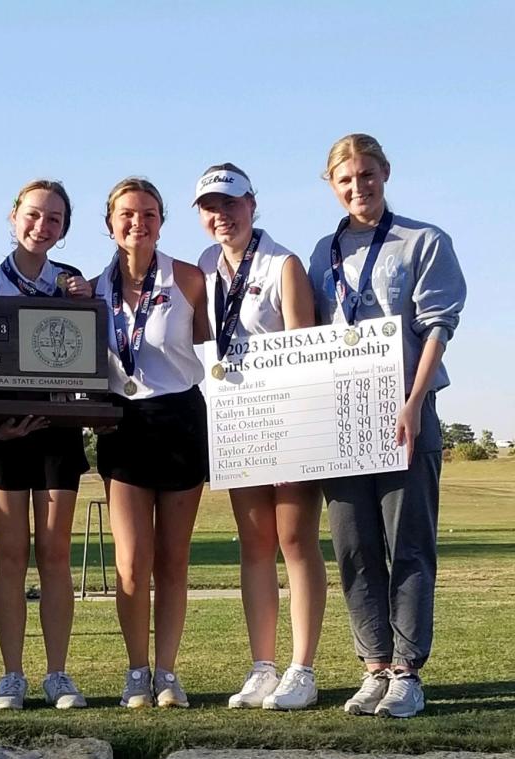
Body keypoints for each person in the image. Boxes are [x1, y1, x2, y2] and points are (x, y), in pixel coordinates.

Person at [309, 134, 465, 718]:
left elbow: (436, 328)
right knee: (354, 546)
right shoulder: (323, 251)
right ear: (331, 185)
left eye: (367, 176)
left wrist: (413, 400)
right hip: (345, 418)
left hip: (406, 411)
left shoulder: (423, 240)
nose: (359, 188)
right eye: (346, 180)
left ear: (385, 173)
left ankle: (407, 671)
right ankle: (373, 666)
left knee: (409, 545)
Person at [195, 164, 328, 710]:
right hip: (237, 423)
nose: (221, 216)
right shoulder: (204, 266)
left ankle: (303, 667)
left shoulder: (284, 264)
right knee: (254, 544)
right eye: (210, 207)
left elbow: (304, 348)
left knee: (295, 540)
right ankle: (262, 666)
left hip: (290, 420)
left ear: (253, 204)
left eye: (231, 204)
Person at [0, 179, 93, 710]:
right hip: (1, 437)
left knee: (56, 553)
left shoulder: (75, 286)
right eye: (34, 215)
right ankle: (12, 675)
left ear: (64, 229)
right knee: (11, 555)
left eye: (55, 219)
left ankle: (58, 674)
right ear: (13, 215)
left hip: (58, 435)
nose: (43, 226)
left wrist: (89, 302)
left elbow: (94, 358)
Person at [92, 177, 210, 708]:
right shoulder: (90, 291)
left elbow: (223, 343)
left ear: (162, 221)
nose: (138, 223)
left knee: (173, 561)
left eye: (149, 214)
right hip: (123, 425)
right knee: (132, 562)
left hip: (181, 418)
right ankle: (136, 671)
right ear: (110, 223)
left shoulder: (189, 278)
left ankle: (168, 673)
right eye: (127, 214)